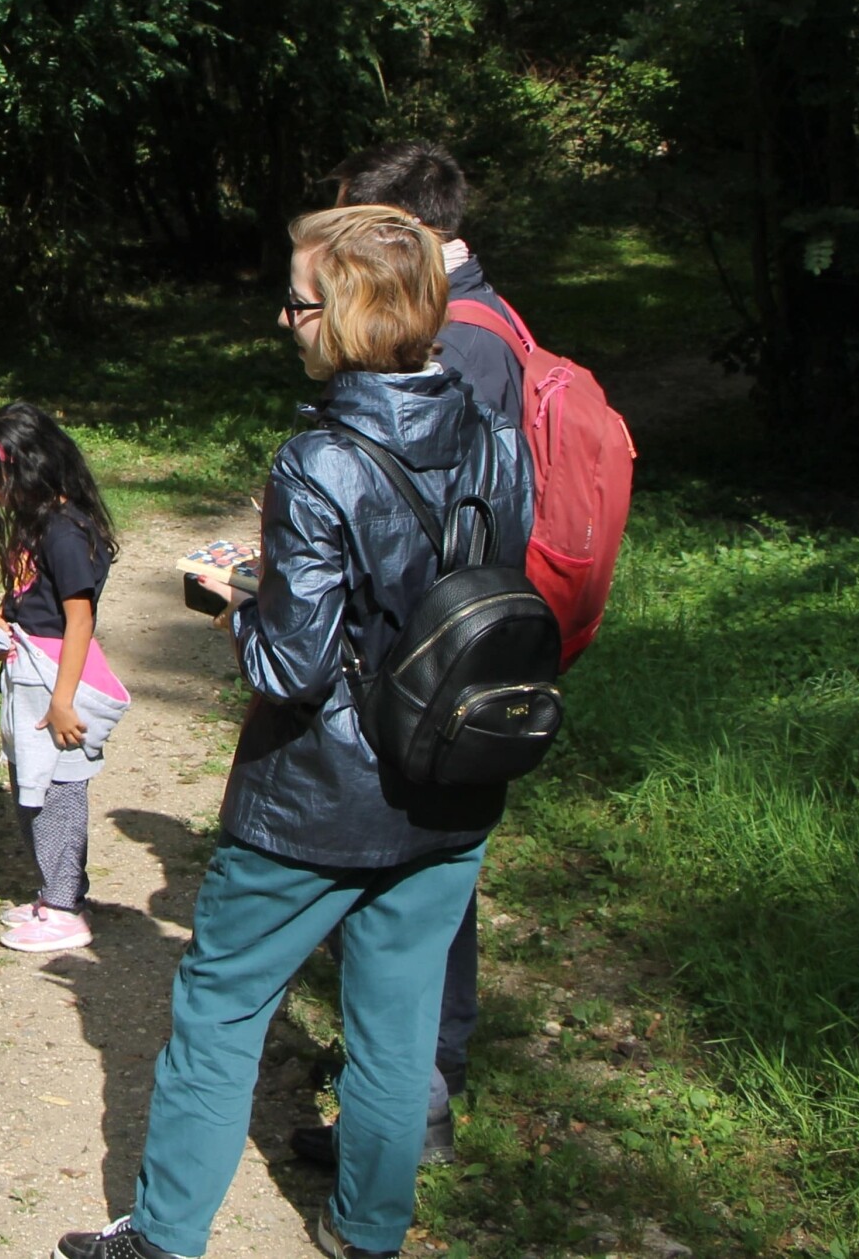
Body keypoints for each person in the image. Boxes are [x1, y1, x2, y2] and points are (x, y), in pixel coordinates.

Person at [54, 206, 533, 1259]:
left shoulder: (319, 459)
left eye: (300, 300)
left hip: (317, 798)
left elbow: (292, 666)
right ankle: (367, 1233)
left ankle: (163, 1237)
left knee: (223, 1004)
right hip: (451, 775)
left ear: (353, 316)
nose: (285, 316)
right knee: (398, 1021)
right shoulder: (497, 431)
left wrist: (240, 598)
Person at [285, 139, 520, 1168]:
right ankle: (406, 1099)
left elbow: (425, 530)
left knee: (414, 917)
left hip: (422, 680)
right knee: (425, 901)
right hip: (449, 663)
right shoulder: (487, 321)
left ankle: (407, 1108)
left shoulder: (463, 345)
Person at [0, 402, 130, 955]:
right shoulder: (37, 523)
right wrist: (4, 613)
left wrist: (64, 701)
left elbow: (79, 619)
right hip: (32, 671)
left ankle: (66, 908)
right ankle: (56, 892)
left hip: (56, 679)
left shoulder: (65, 533)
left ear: (31, 472)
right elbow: (27, 591)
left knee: (57, 792)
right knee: (30, 786)